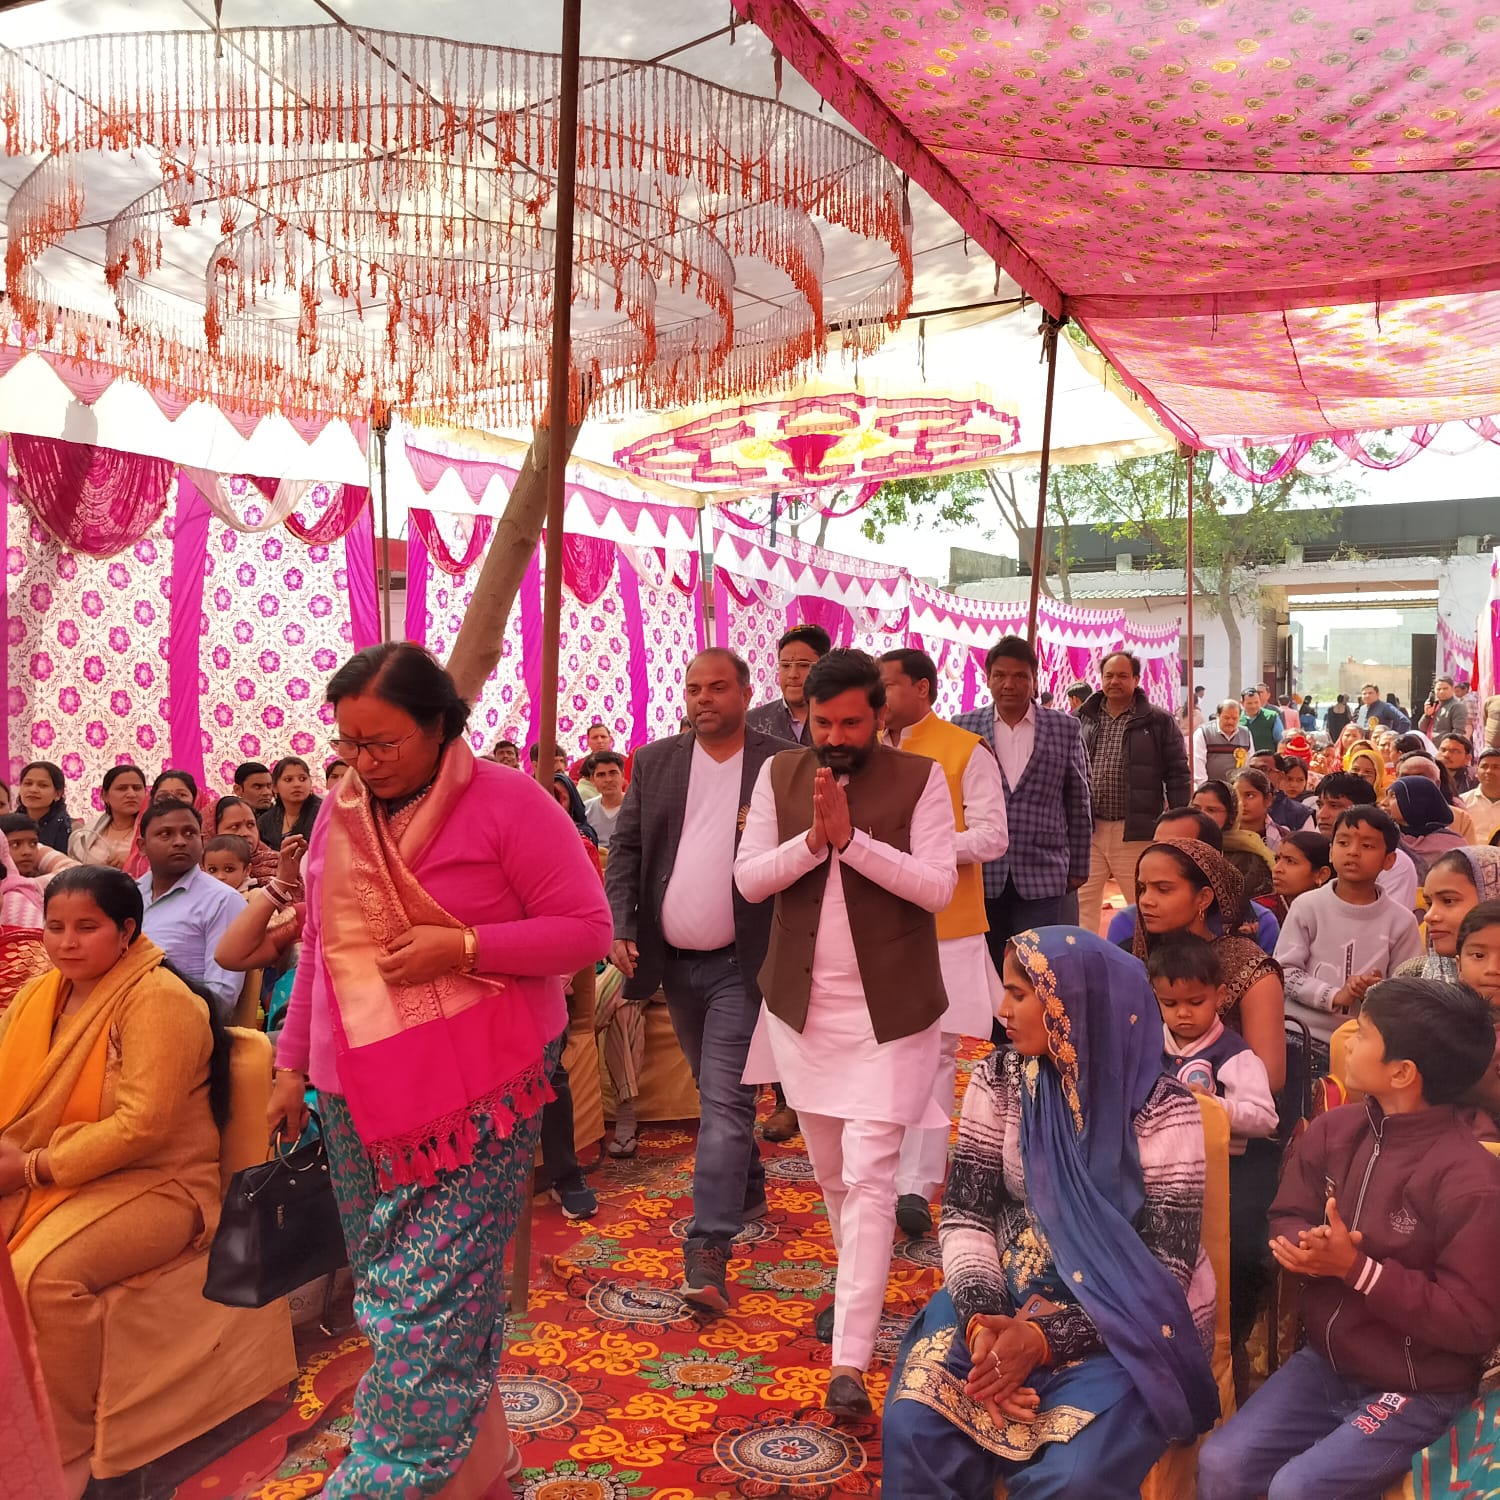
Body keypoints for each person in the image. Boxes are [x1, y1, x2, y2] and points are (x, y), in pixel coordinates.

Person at [267, 642, 611, 1499]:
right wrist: (288, 1066)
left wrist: (462, 947)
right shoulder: (340, 813)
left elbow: (586, 931)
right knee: (401, 1294)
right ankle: (480, 1469)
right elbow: (319, 952)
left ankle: (385, 1481)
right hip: (352, 1091)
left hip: (477, 1094)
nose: (362, 761)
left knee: (427, 1303)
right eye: (348, 742)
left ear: (441, 726)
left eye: (382, 743)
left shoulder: (510, 801)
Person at [881, 928, 1218, 1498]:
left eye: (1019, 994)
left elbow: (1165, 1271)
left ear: (1074, 1005)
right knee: (915, 1428)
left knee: (1073, 1476)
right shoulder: (1000, 1079)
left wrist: (1041, 1340)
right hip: (1001, 1292)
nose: (1002, 1010)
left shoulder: (1163, 1111)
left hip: (1124, 1321)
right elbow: (966, 1212)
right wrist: (985, 1324)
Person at [735, 648, 958, 1416]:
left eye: (851, 723)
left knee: (869, 1178)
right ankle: (858, 1290)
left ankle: (850, 1361)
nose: (834, 737)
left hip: (890, 1016)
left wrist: (854, 841)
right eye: (822, 722)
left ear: (879, 715)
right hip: (802, 1013)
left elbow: (937, 886)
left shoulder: (922, 779)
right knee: (834, 1176)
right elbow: (748, 879)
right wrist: (812, 842)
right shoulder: (779, 776)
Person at [1196, 978, 1500, 1500]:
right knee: (1222, 1464)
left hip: (1419, 1386)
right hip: (1328, 1363)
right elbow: (1289, 1212)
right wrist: (1302, 1246)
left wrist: (1357, 1270)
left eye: (1364, 1034)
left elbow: (1472, 1323)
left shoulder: (1472, 1181)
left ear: (1402, 1073)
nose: (1348, 1042)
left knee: (1297, 1488)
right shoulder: (1334, 1131)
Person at [0, 865, 230, 1500]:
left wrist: (29, 1167)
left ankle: (66, 1451)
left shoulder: (159, 1000)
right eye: (54, 927)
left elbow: (142, 1127)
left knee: (41, 1277)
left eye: (86, 927)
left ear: (127, 930)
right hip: (60, 1172)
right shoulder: (41, 994)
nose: (66, 942)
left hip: (161, 1184)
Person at [604, 648, 787, 1308]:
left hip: (744, 964)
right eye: (693, 689)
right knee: (719, 1096)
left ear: (745, 693)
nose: (703, 698)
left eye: (716, 687)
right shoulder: (656, 761)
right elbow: (626, 849)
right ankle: (748, 1186)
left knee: (725, 1101)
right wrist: (621, 922)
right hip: (672, 964)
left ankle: (708, 1249)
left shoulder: (780, 763)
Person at [879, 648, 1009, 1239]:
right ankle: (881, 1170)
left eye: (888, 686)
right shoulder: (864, 748)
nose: (879, 698)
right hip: (876, 922)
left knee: (935, 1053)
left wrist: (921, 847)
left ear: (923, 689)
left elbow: (992, 836)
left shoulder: (964, 750)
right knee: (882, 1048)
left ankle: (917, 1181)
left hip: (945, 923)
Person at [1150, 933, 1277, 1349]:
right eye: (1170, 1004)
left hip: (1225, 1174)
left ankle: (1227, 1336)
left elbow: (1265, 1117)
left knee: (1234, 1252)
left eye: (1195, 1002)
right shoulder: (1151, 1045)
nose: (1183, 1013)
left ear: (1220, 996)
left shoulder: (1233, 1054)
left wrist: (1213, 1106)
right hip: (1162, 1170)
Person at [952, 635, 1091, 980]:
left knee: (1039, 966)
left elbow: (1078, 799)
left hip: (1043, 868)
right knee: (988, 966)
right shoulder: (963, 727)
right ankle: (996, 1019)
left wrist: (1079, 864)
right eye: (1000, 675)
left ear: (1034, 679)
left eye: (1019, 676)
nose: (1009, 684)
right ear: (987, 678)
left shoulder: (1064, 727)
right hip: (982, 872)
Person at [1126, 838, 1286, 1091]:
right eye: (1142, 888)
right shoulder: (1135, 958)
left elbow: (1270, 1078)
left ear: (1203, 898)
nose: (1146, 900)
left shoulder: (1251, 967)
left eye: (1163, 889)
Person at [1274, 807, 1422, 1057]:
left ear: (1389, 860)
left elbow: (1408, 989)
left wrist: (1376, 990)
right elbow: (1284, 973)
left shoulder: (1401, 921)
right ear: (1331, 852)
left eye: (1367, 846)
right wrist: (1334, 995)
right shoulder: (1308, 906)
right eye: (1343, 843)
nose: (1353, 851)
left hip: (1365, 1044)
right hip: (1301, 1034)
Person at [1076, 652, 1191, 937]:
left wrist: (1179, 822)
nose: (1114, 681)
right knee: (1081, 906)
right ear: (1101, 679)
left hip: (1136, 830)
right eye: (1109, 675)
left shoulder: (1158, 721)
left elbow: (1178, 774)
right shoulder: (1082, 719)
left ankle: (1144, 959)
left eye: (1122, 676)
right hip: (1088, 830)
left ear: (1136, 679)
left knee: (1142, 904)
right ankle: (1083, 958)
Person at [1109, 808, 1281, 958]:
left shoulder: (1257, 923)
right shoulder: (1128, 923)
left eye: (1177, 848)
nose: (1146, 901)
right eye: (1156, 846)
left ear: (1213, 858)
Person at [134, 801, 245, 1015]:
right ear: (142, 846)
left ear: (202, 841)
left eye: (189, 833)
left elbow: (221, 997)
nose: (180, 842)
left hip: (180, 1020)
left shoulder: (222, 900)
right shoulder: (130, 895)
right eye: (166, 834)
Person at [1314, 768, 1420, 912]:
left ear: (1362, 809)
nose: (1322, 814)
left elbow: (1390, 919)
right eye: (1320, 805)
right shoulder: (1309, 847)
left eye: (1334, 806)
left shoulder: (1394, 862)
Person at [1396, 846, 1500, 982]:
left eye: (1448, 901)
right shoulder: (1410, 978)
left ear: (1492, 895)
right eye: (1429, 903)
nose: (1429, 916)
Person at [745, 622, 831, 745]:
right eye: (785, 665)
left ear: (825, 667)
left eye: (803, 665)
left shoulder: (841, 719)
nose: (792, 674)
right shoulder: (752, 722)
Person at [1380, 774, 1466, 876]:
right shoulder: (1385, 838)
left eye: (1393, 796)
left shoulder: (1452, 847)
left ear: (1415, 802)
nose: (1383, 802)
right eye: (1386, 796)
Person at [67, 766, 147, 870]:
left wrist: (133, 860)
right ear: (105, 796)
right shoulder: (91, 828)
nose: (131, 794)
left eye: (137, 788)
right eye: (122, 788)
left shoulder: (152, 829)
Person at [1262, 828, 1333, 926]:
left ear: (1321, 874)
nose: (1276, 869)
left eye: (1290, 861)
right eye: (1277, 859)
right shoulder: (1258, 912)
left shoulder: (1336, 913)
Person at [212, 795, 281, 886]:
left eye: (250, 825)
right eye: (234, 827)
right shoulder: (201, 877)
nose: (245, 833)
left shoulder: (280, 865)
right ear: (213, 832)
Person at [258, 756, 321, 852]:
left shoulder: (324, 812)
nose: (297, 784)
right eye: (288, 779)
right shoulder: (265, 821)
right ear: (274, 787)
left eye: (303, 779)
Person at [1191, 699, 1252, 783]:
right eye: (1226, 717)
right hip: (1211, 786)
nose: (1230, 721)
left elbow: (1250, 762)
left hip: (1238, 787)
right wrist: (1205, 787)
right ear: (1218, 715)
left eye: (1234, 718)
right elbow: (1198, 763)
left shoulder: (1246, 733)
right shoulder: (1203, 733)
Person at [16, 764, 72, 856]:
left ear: (58, 794)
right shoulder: (10, 824)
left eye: (43, 785)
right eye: (28, 783)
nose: (33, 790)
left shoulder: (69, 829)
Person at [1248, 751, 1313, 831]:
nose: (1255, 775)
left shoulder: (1301, 814)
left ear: (1280, 776)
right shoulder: (1239, 807)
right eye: (1251, 769)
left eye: (1263, 769)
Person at [583, 749, 627, 849]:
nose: (608, 780)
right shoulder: (585, 810)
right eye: (601, 775)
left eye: (613, 773)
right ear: (592, 780)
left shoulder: (637, 808)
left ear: (622, 775)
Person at [1232, 767, 1283, 851]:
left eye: (1250, 795)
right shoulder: (1221, 837)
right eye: (1236, 795)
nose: (1241, 803)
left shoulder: (1283, 838)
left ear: (1268, 800)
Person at [1460, 746, 1500, 843]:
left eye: (1496, 767)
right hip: (1470, 852)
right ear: (1477, 770)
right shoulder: (1462, 802)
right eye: (1484, 766)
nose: (1489, 771)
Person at [1239, 687, 1283, 753]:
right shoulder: (1237, 719)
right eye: (1249, 703)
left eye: (1256, 702)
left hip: (1267, 758)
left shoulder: (1271, 717)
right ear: (1242, 703)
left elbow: (1280, 741)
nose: (1253, 706)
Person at [1430, 675, 1472, 740]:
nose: (1442, 691)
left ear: (1452, 689)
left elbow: (1458, 732)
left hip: (1445, 744)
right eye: (1438, 689)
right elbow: (1422, 727)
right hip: (1430, 744)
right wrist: (1427, 715)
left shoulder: (1457, 706)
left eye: (1445, 688)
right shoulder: (1435, 705)